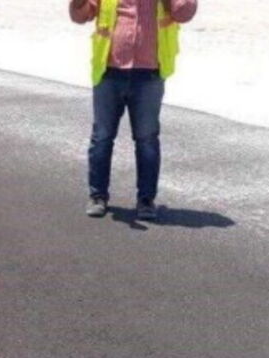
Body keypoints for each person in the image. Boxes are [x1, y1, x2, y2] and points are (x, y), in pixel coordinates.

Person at [70, 0, 197, 220]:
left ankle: (146, 200)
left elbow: (185, 13)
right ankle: (98, 195)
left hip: (149, 74)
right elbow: (81, 15)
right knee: (102, 137)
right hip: (109, 71)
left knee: (147, 139)